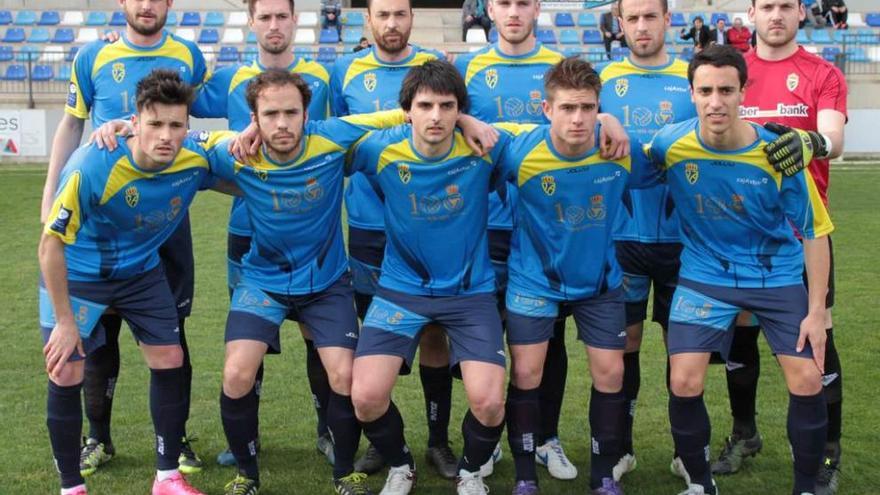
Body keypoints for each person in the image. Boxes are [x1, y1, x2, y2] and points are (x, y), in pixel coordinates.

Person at [39, 69, 236, 495]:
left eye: (176, 125)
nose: (166, 135)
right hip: (79, 276)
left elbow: (229, 150)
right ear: (135, 121)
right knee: (66, 370)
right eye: (155, 124)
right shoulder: (92, 164)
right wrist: (64, 320)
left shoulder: (192, 158)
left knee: (169, 356)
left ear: (188, 125)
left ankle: (167, 477)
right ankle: (71, 487)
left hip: (141, 274)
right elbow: (49, 247)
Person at [647, 44, 833, 495]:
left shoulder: (777, 154)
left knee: (807, 378)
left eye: (726, 90)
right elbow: (629, 160)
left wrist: (816, 311)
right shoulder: (670, 145)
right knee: (684, 379)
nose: (716, 101)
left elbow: (816, 231)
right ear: (691, 92)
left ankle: (806, 487)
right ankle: (700, 483)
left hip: (776, 277)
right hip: (704, 275)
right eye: (706, 90)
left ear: (742, 92)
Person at [330, 0, 490, 478]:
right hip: (368, 222)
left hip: (437, 227)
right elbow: (336, 133)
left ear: (410, 18)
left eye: (401, 13)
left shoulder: (434, 68)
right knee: (376, 335)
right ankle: (383, 438)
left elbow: (457, 115)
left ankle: (438, 441)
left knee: (436, 335)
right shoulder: (344, 69)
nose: (393, 22)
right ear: (368, 19)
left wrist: (462, 120)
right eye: (384, 14)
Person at [494, 55, 663, 495]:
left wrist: (614, 123)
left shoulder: (620, 151)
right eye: (567, 108)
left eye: (588, 108)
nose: (578, 118)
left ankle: (602, 476)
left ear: (598, 108)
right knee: (526, 374)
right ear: (547, 109)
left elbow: (673, 160)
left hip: (600, 283)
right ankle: (526, 477)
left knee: (611, 374)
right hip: (534, 280)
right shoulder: (519, 151)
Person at [347, 60, 508, 495]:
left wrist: (605, 118)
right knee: (363, 396)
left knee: (490, 402)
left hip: (469, 293)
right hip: (401, 291)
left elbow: (551, 134)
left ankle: (471, 472)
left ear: (460, 109)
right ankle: (402, 465)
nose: (436, 116)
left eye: (447, 106)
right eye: (425, 105)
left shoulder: (485, 147)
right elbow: (325, 133)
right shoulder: (380, 148)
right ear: (407, 110)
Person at [189, 0, 337, 469]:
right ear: (251, 22)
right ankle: (245, 441)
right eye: (265, 16)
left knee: (319, 334)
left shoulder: (324, 77)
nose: (274, 25)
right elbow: (180, 105)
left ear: (296, 20)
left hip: (313, 231)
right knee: (248, 338)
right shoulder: (231, 80)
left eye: (282, 16)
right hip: (246, 230)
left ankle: (328, 430)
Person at [712, 2, 848, 494]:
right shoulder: (732, 72)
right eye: (766, 5)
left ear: (799, 12)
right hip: (743, 233)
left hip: (806, 235)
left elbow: (834, 138)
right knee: (741, 336)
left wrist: (808, 141)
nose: (776, 15)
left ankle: (827, 451)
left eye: (785, 5)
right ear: (751, 12)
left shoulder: (822, 73)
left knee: (817, 341)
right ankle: (744, 433)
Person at [595, 0, 698, 483]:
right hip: (623, 237)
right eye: (631, 18)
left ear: (667, 20)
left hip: (685, 239)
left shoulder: (692, 78)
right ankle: (622, 448)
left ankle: (685, 451)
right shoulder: (602, 81)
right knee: (625, 346)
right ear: (620, 24)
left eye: (649, 16)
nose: (641, 26)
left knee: (683, 349)